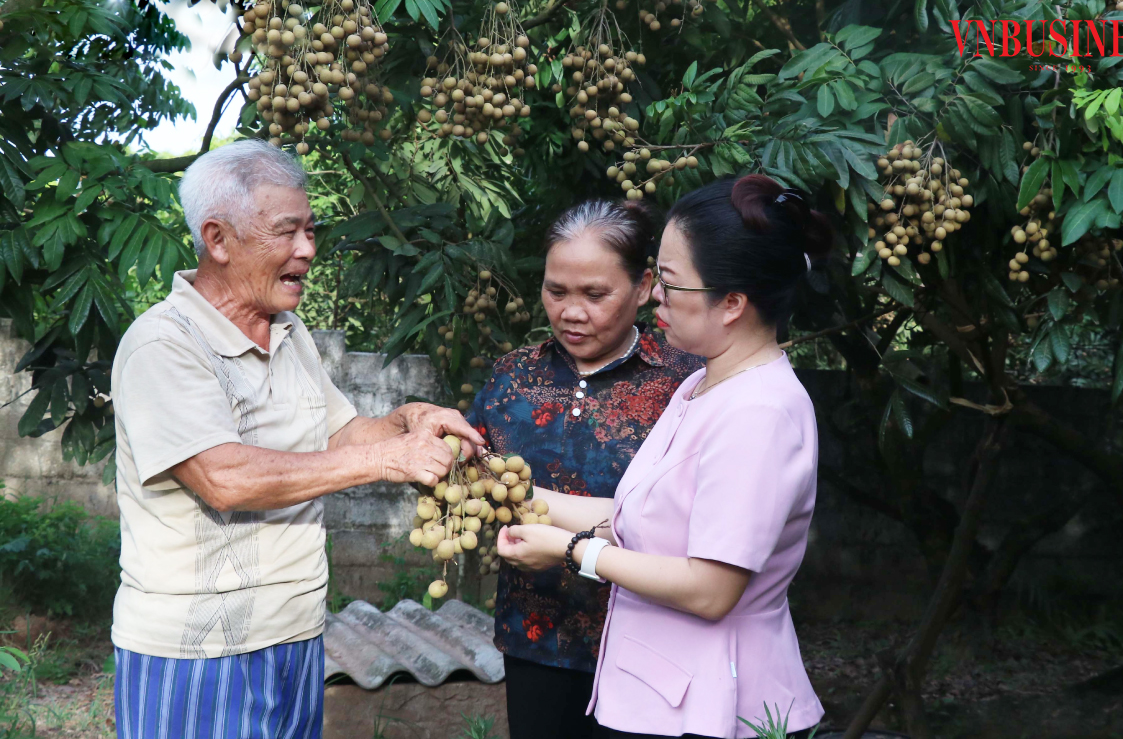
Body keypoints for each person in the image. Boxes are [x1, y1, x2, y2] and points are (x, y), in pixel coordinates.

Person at [109, 139, 483, 738]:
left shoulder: (289, 331)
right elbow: (224, 478)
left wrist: (405, 422)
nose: (308, 249)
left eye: (311, 230)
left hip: (297, 635)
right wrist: (387, 458)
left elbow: (340, 435)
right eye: (287, 232)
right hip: (197, 652)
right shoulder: (163, 344)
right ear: (218, 240)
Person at [496, 174, 832, 739]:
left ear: (732, 303)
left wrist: (571, 550)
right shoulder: (702, 385)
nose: (656, 296)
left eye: (671, 284)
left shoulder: (760, 412)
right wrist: (508, 492)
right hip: (655, 695)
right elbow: (645, 519)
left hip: (712, 707)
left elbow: (710, 589)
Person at [466, 199, 704, 739]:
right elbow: (471, 469)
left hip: (655, 647)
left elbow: (697, 524)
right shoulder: (511, 377)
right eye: (557, 291)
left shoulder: (689, 384)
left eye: (595, 295)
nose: (572, 312)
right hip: (536, 640)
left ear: (643, 287)